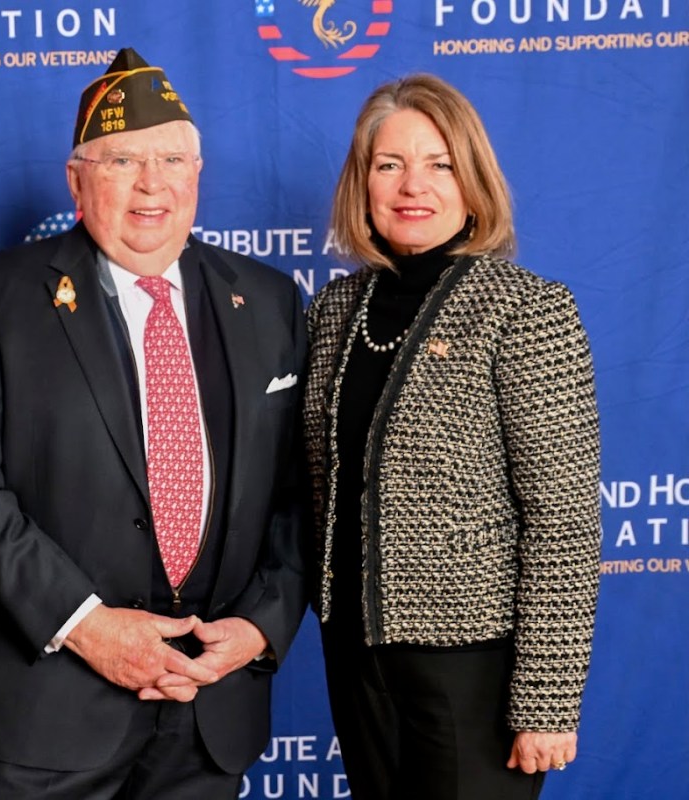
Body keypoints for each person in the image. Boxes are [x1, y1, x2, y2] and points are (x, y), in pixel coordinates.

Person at [0, 48, 310, 799]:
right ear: (76, 180)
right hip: (47, 718)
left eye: (171, 158)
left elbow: (301, 492)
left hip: (209, 710)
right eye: (122, 160)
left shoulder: (266, 300)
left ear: (199, 174)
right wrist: (90, 626)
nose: (151, 184)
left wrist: (261, 626)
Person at [302, 73, 601, 799]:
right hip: (354, 657)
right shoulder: (334, 310)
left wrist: (548, 700)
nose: (414, 186)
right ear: (362, 184)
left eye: (439, 164)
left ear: (472, 183)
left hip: (473, 672)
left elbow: (564, 518)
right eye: (389, 164)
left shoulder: (527, 311)